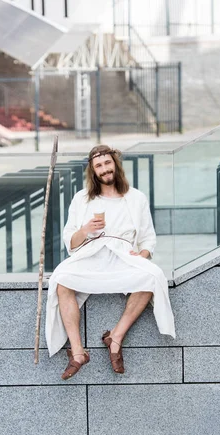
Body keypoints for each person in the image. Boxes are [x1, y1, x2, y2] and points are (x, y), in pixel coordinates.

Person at [45, 144, 176, 379]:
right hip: (92, 254)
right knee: (60, 280)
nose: (104, 169)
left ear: (115, 164)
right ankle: (77, 352)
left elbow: (148, 239)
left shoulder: (136, 198)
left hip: (123, 254)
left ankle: (115, 337)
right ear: (93, 172)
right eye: (98, 166)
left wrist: (142, 255)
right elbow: (71, 242)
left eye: (107, 163)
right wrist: (85, 229)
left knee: (152, 276)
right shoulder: (82, 199)